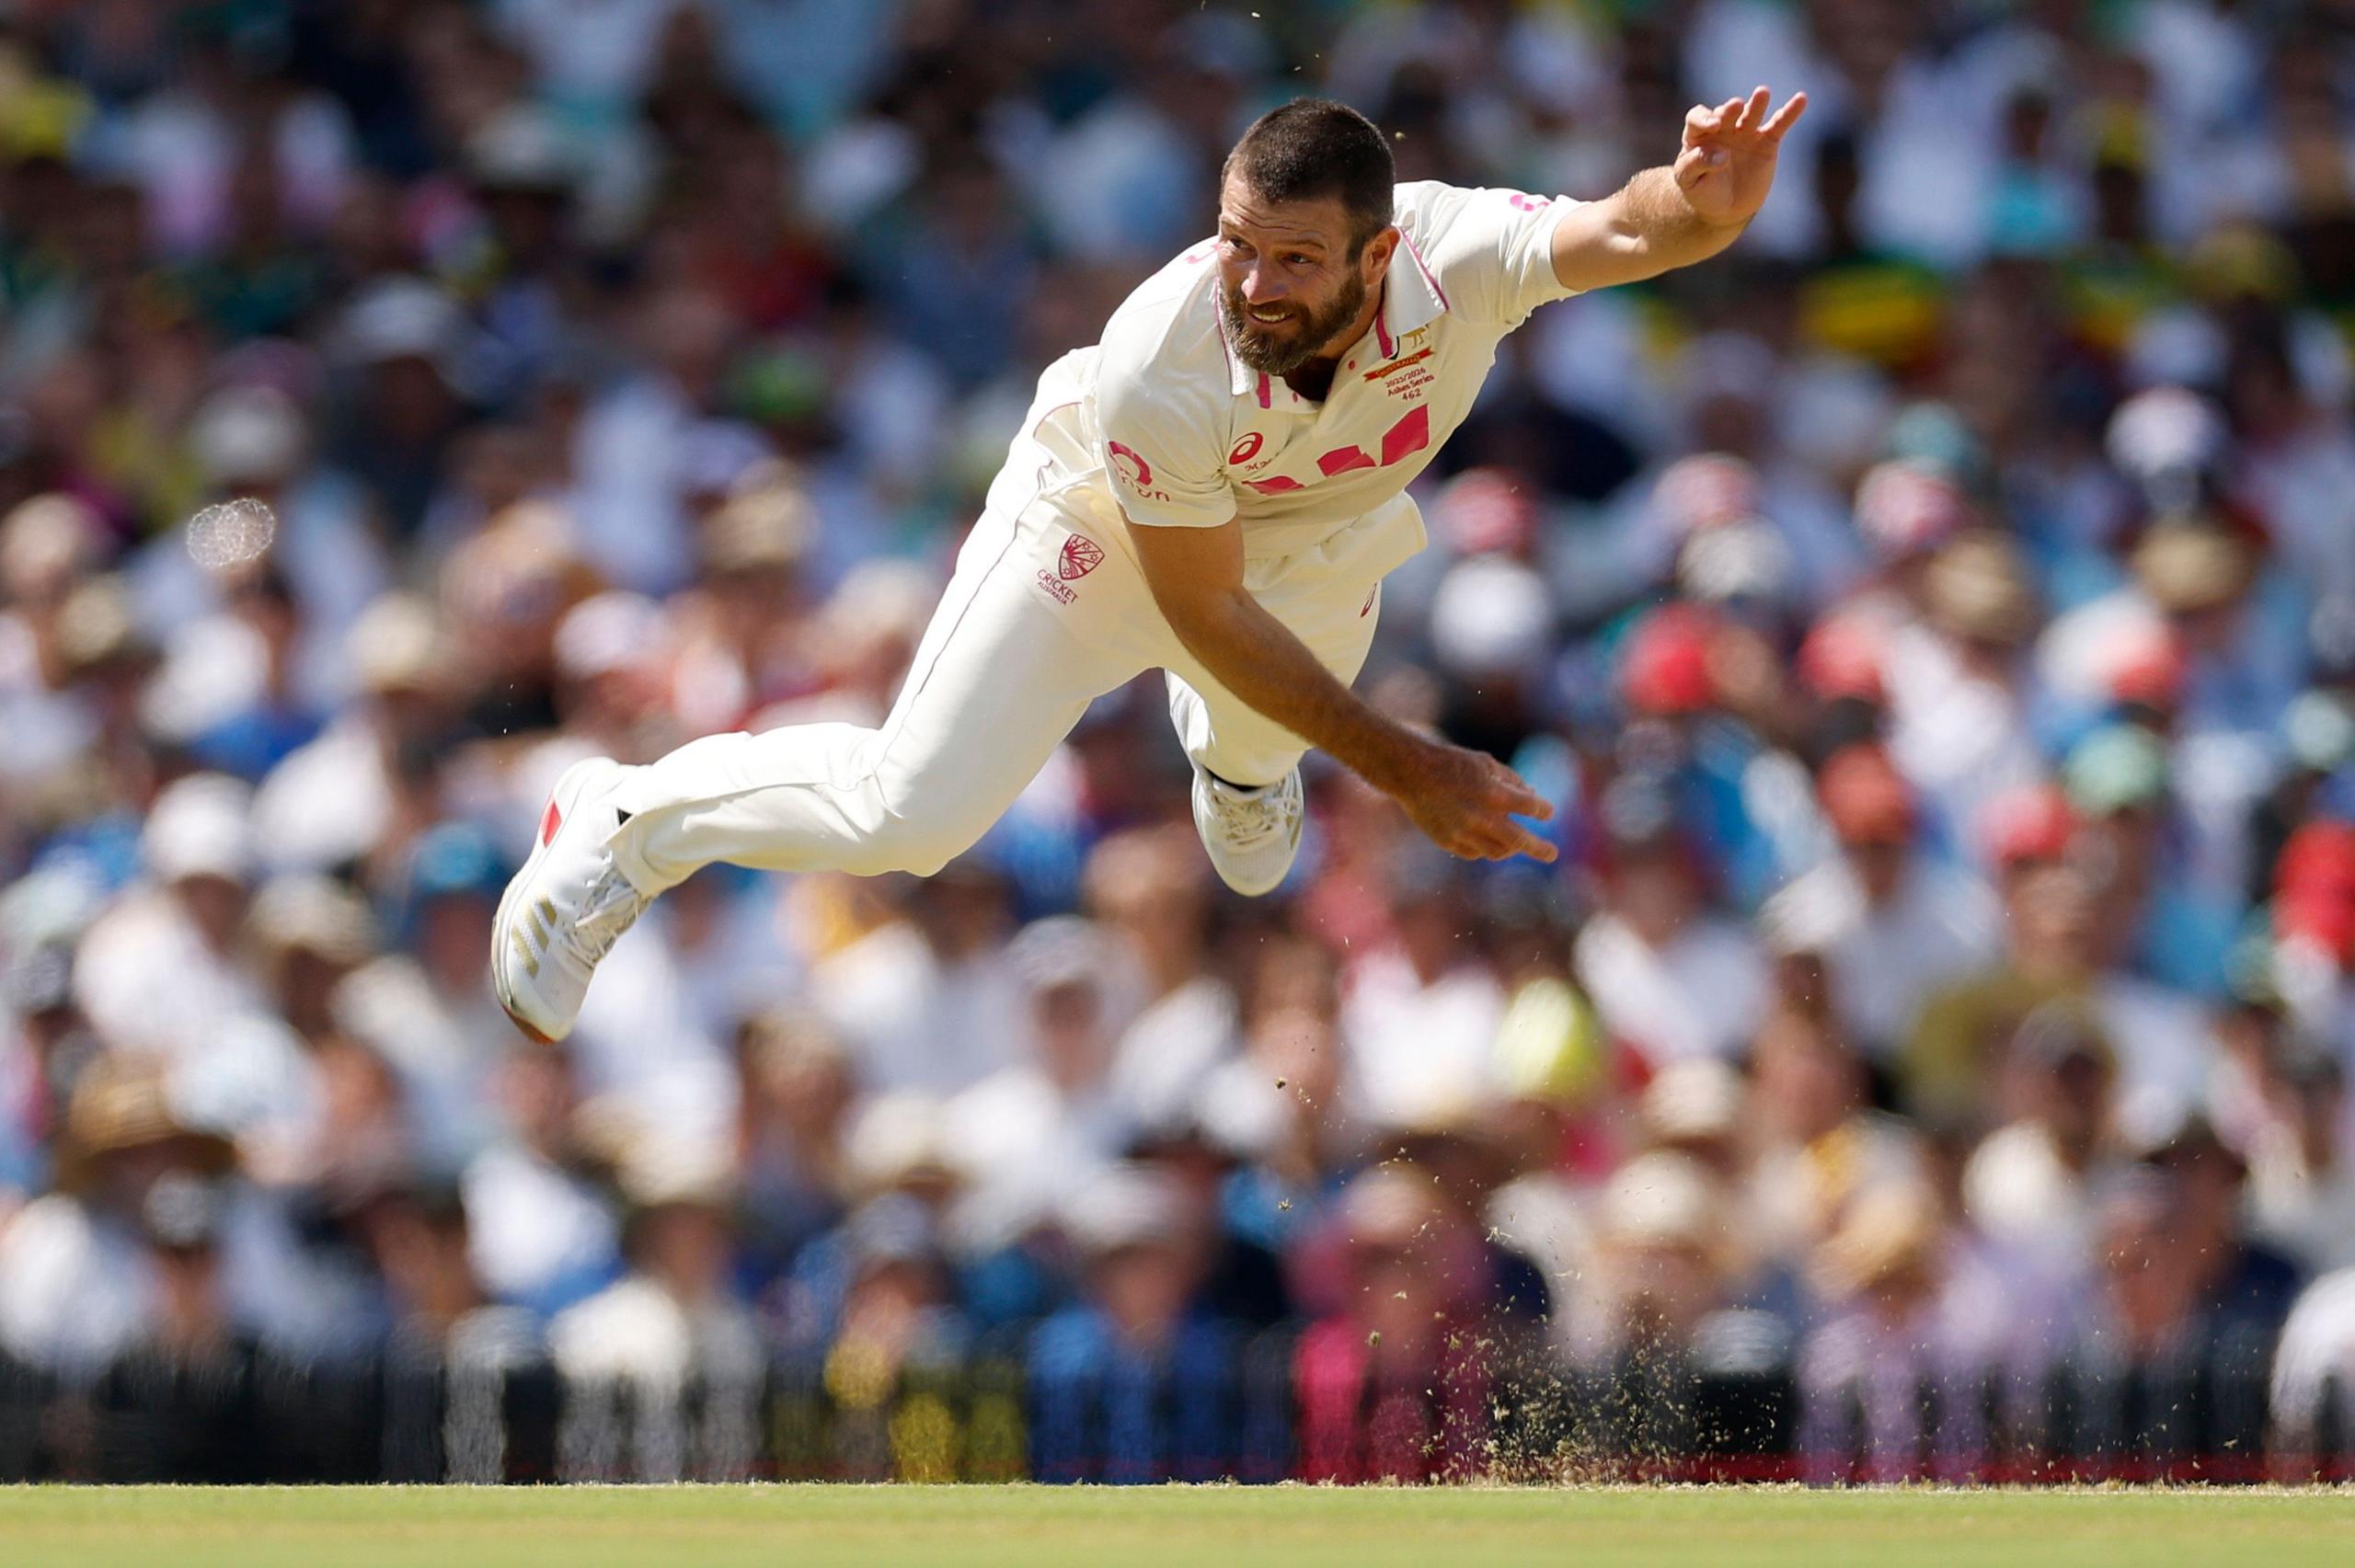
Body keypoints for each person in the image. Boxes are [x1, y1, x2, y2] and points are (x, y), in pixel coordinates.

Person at [491, 89, 1809, 1044]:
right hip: (1108, 529)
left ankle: (1238, 762)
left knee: (1247, 845)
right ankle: (620, 822)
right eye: (1241, 242)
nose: (1257, 283)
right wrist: (1407, 764)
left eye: (1298, 258)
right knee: (910, 813)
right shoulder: (1161, 357)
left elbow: (1627, 231)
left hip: (1310, 550)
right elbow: (1201, 608)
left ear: (1381, 252)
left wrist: (1706, 209)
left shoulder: (1456, 251)